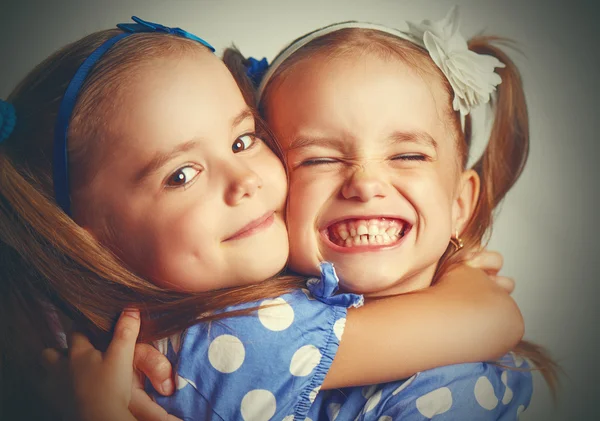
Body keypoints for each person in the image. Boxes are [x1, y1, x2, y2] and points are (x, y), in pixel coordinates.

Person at [0, 15, 523, 421]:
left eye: (244, 140)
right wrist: (466, 281)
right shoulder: (239, 335)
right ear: (85, 239)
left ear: (462, 200)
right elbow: (494, 319)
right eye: (181, 174)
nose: (246, 180)